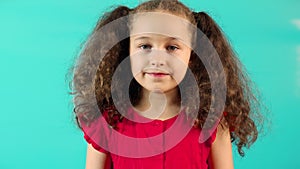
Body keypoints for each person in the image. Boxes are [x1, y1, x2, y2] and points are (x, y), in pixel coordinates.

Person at [67, 0, 263, 169]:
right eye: (145, 46)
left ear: (193, 56)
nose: (158, 59)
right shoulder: (107, 122)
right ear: (126, 52)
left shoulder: (212, 121)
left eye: (172, 47)